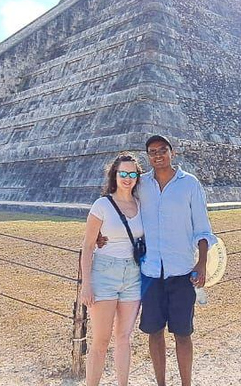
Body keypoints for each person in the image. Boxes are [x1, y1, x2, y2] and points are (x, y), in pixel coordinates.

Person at [138, 135, 217, 386]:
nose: (158, 155)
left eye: (163, 150)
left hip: (182, 271)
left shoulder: (189, 184)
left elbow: (202, 229)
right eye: (152, 151)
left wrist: (201, 262)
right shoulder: (141, 185)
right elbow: (123, 213)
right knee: (154, 331)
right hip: (151, 272)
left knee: (183, 333)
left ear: (173, 153)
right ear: (148, 156)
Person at [79, 153, 144, 386]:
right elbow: (87, 246)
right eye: (123, 173)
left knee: (125, 338)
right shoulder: (102, 205)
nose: (127, 178)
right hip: (104, 273)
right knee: (101, 341)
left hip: (133, 275)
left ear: (137, 177)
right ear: (114, 175)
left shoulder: (140, 204)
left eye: (132, 174)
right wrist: (86, 284)